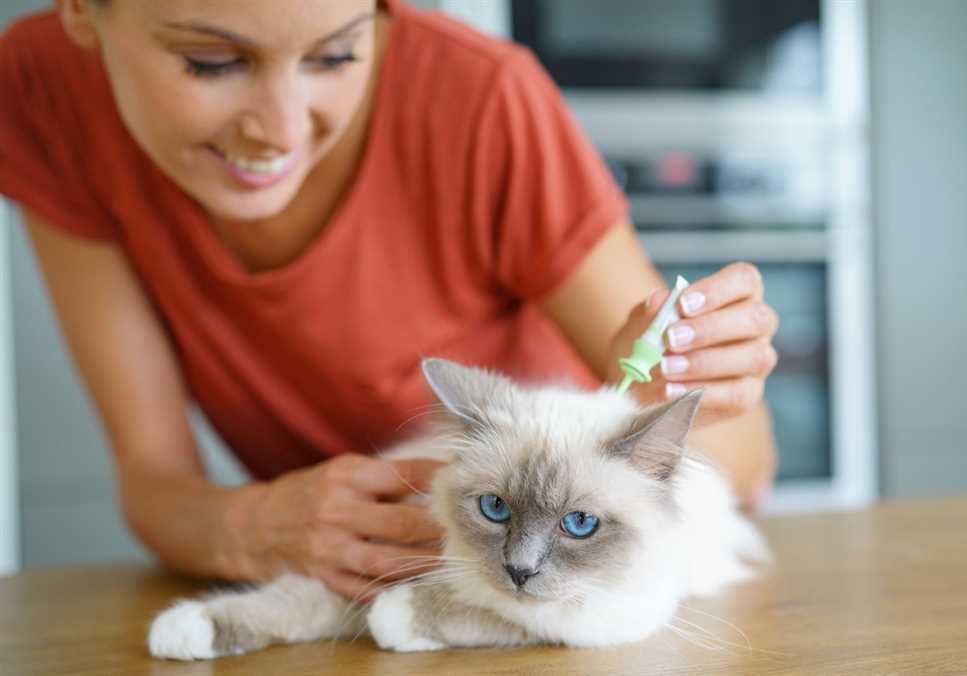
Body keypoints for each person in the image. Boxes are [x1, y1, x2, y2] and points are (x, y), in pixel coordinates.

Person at [0, 0, 780, 599]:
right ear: (78, 10)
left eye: (337, 54)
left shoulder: (481, 104)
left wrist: (664, 390)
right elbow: (153, 479)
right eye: (210, 61)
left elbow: (744, 468)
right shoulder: (38, 90)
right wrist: (250, 528)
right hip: (343, 599)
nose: (277, 130)